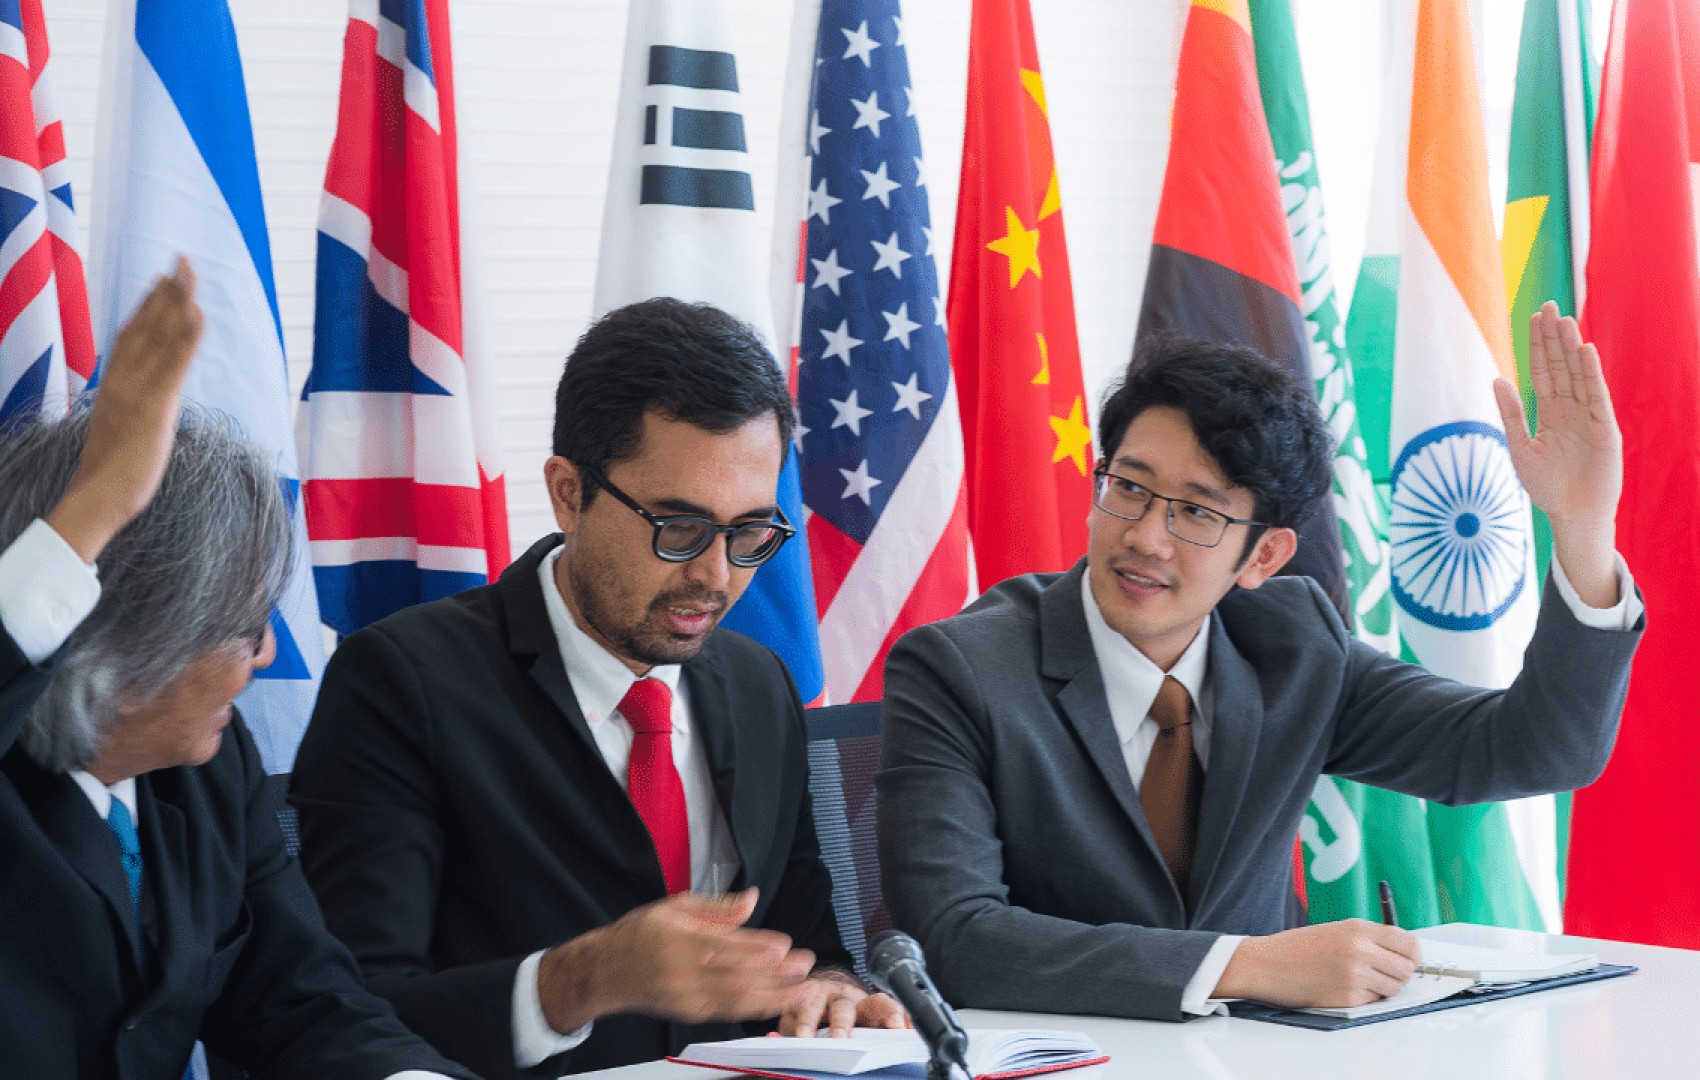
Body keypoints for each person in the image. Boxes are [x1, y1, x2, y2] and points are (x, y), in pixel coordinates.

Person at [878, 307, 1642, 1021]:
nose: (1145, 537)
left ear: (1264, 557)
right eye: (1129, 488)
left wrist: (1583, 527)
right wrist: (1243, 965)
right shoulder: (961, 669)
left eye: (1196, 511)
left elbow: (1528, 750)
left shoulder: (1291, 646)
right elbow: (952, 939)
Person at [290, 298, 904, 1078]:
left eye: (750, 533)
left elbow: (810, 939)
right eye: (678, 529)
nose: (715, 576)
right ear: (568, 493)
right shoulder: (401, 682)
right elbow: (345, 1017)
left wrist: (834, 989)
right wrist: (580, 981)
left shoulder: (758, 682)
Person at [0, 261, 478, 1080]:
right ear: (129, 648)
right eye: (244, 629)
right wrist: (98, 506)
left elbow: (302, 1002)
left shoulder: (211, 771)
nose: (267, 656)